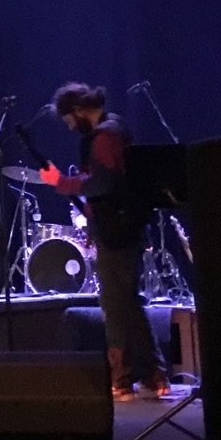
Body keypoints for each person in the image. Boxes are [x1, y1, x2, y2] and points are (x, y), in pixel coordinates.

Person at [38, 82, 171, 402]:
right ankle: (153, 375)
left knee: (114, 306)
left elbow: (100, 183)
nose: (71, 128)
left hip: (117, 233)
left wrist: (61, 182)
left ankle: (123, 378)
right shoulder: (117, 128)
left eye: (70, 121)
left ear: (80, 111)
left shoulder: (104, 137)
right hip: (123, 228)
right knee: (129, 302)